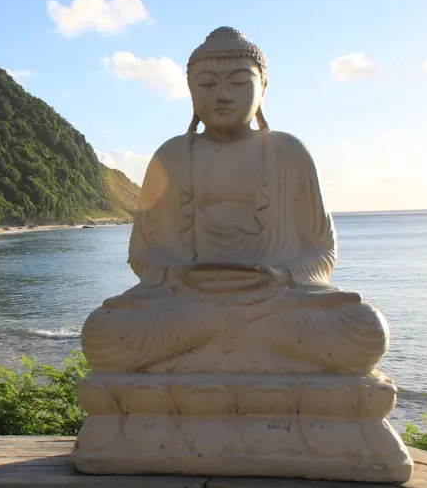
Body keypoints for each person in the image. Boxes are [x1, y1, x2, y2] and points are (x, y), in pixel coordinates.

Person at [81, 27, 389, 376]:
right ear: (190, 91)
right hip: (189, 304)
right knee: (103, 331)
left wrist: (282, 276)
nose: (223, 96)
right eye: (208, 84)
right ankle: (257, 355)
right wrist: (176, 275)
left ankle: (207, 355)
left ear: (264, 88)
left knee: (363, 328)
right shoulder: (172, 156)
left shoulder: (288, 153)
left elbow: (322, 251)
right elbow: (141, 253)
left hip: (275, 303)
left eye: (240, 83)